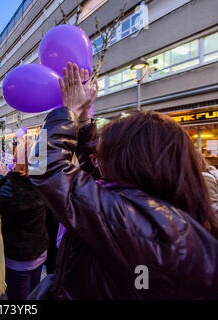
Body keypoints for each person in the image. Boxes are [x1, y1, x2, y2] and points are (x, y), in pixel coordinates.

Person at [29, 62, 218, 299]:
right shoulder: (154, 211)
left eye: (105, 154)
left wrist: (67, 112)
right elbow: (91, 175)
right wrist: (85, 121)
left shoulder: (132, 221)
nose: (96, 159)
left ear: (131, 162)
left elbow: (43, 168)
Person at [0, 142, 49, 300]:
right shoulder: (44, 181)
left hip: (18, 257)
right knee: (34, 293)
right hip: (40, 250)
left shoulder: (12, 185)